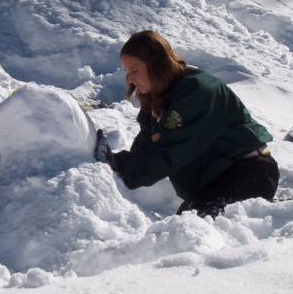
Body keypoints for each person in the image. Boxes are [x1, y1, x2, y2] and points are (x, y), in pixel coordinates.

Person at [95, 30, 279, 217]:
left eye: (135, 70)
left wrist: (120, 165)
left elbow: (170, 153)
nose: (129, 79)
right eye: (127, 72)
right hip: (214, 182)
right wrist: (116, 163)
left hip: (250, 175)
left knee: (190, 222)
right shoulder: (159, 96)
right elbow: (147, 147)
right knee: (189, 219)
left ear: (157, 65)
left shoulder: (198, 93)